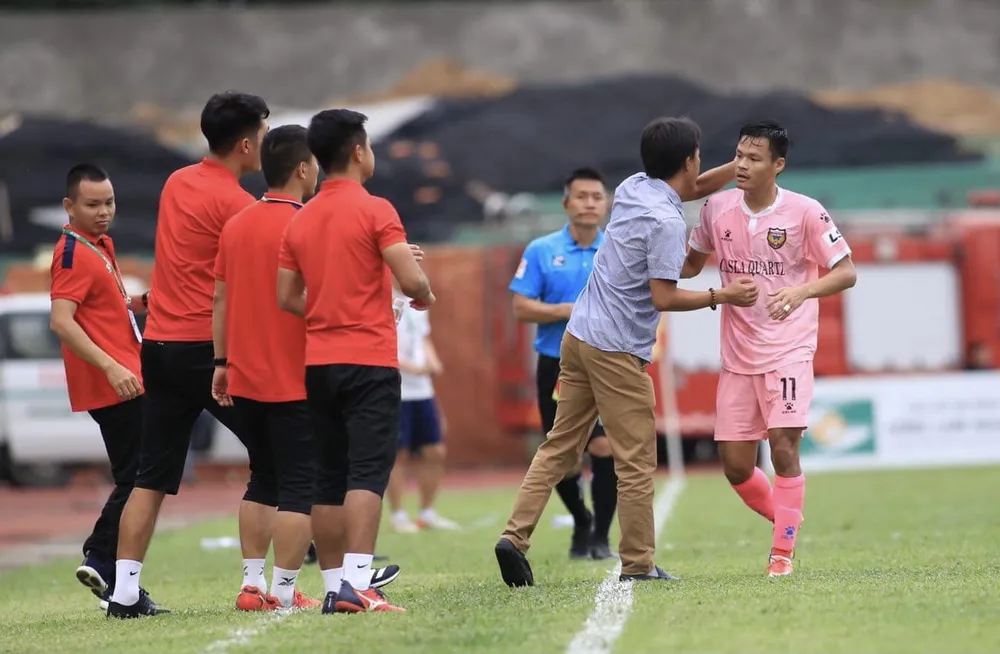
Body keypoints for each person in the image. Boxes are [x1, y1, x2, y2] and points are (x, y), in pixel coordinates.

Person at [494, 116, 759, 587]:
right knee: (636, 459)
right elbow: (664, 297)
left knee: (558, 447)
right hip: (616, 350)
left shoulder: (635, 186)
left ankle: (514, 537)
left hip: (577, 337)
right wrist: (723, 296)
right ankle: (638, 564)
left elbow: (691, 186)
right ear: (688, 159)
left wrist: (737, 168)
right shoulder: (666, 223)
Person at [108, 92, 271, 619]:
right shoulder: (241, 206)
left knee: (148, 479)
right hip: (209, 350)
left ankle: (124, 593)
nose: (267, 144)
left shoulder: (177, 182)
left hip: (158, 345)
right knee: (278, 458)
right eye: (264, 134)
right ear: (247, 142)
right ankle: (260, 582)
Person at [682, 120, 857, 577]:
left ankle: (782, 553)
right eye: (739, 155)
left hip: (789, 349)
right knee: (736, 468)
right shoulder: (716, 208)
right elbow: (688, 265)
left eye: (754, 158)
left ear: (777, 165)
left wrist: (800, 293)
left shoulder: (805, 212)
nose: (742, 165)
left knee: (783, 447)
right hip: (738, 357)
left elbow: (846, 272)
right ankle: (789, 521)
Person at [277, 109, 434, 614]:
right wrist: (423, 293)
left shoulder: (300, 219)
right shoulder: (376, 209)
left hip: (318, 362)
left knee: (327, 477)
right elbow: (411, 282)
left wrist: (329, 310)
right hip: (368, 359)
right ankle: (360, 583)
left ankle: (333, 586)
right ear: (359, 152)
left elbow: (286, 296)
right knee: (368, 473)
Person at [211, 125, 326, 610]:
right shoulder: (308, 223)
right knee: (302, 485)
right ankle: (282, 590)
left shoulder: (236, 223)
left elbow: (219, 297)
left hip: (244, 373)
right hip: (296, 374)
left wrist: (220, 362)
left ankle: (251, 585)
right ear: (302, 167)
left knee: (263, 479)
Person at [48, 164, 162, 611]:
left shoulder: (98, 246)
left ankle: (117, 581)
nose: (103, 212)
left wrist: (141, 303)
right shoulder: (71, 252)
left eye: (109, 202)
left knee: (139, 476)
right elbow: (62, 320)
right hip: (117, 381)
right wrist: (112, 366)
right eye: (92, 204)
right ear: (69, 206)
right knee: (141, 478)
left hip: (129, 374)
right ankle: (102, 557)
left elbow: (103, 305)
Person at [508, 167, 618, 560]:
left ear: (606, 204)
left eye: (597, 196)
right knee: (565, 457)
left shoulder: (616, 249)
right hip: (556, 364)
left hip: (605, 365)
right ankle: (581, 519)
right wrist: (565, 311)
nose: (590, 203)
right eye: (582, 196)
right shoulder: (541, 250)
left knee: (605, 447)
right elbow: (521, 307)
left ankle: (602, 537)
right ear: (566, 202)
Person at [385, 299, 460, 533]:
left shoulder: (416, 298)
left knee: (435, 451)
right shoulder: (382, 295)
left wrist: (433, 361)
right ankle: (398, 515)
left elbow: (423, 337)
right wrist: (408, 367)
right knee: (399, 453)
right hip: (396, 389)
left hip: (422, 389)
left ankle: (427, 512)